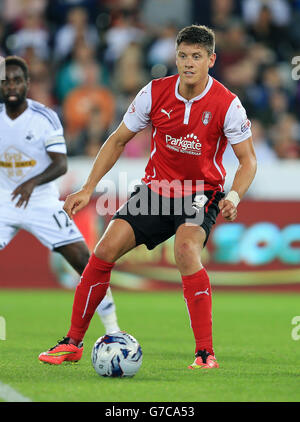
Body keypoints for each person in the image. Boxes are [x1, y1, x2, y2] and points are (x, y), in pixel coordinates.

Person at [39, 25, 257, 369]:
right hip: (155, 191)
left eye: (196, 57)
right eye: (183, 56)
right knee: (104, 251)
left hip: (200, 193)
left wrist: (234, 196)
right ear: (175, 57)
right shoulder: (154, 92)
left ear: (211, 60)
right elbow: (117, 140)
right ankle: (72, 342)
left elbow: (248, 161)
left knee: (186, 251)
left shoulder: (227, 104)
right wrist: (87, 188)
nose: (188, 63)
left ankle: (204, 353)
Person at [0, 56, 120, 342]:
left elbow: (60, 164)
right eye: (6, 81)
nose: (12, 86)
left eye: (17, 80)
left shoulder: (44, 117)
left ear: (27, 84)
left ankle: (113, 329)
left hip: (40, 199)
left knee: (84, 261)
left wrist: (31, 183)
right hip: (4, 200)